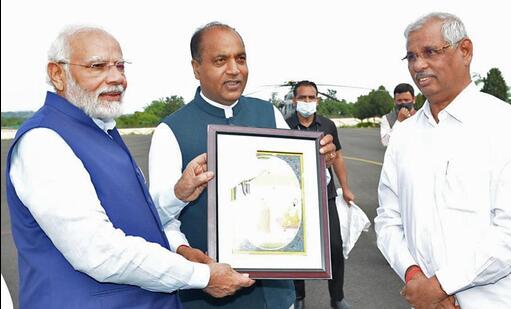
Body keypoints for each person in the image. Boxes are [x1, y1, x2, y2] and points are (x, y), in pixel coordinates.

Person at [5, 25, 254, 309]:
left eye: (120, 66)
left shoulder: (102, 130)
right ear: (57, 74)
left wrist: (178, 196)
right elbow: (99, 251)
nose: (115, 78)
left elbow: (131, 223)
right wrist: (202, 276)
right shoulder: (44, 141)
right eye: (97, 66)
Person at [148, 22, 337, 309]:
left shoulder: (268, 113)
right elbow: (158, 218)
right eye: (220, 60)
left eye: (241, 58)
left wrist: (317, 162)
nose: (235, 69)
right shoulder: (171, 131)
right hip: (208, 295)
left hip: (276, 295)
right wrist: (184, 251)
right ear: (196, 68)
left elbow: (301, 191)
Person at [374, 12, 511, 309]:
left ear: (464, 51)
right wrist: (415, 277)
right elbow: (388, 219)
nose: (418, 65)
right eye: (411, 57)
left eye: (429, 52)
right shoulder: (404, 136)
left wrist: (440, 286)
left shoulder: (509, 127)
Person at [285, 80, 354, 309]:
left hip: (326, 195)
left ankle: (337, 297)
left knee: (334, 245)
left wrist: (345, 188)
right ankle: (299, 296)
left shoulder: (328, 125)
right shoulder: (284, 125)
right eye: (302, 98)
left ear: (317, 99)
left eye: (311, 97)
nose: (307, 102)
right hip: (296, 198)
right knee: (297, 248)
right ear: (294, 100)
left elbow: (338, 158)